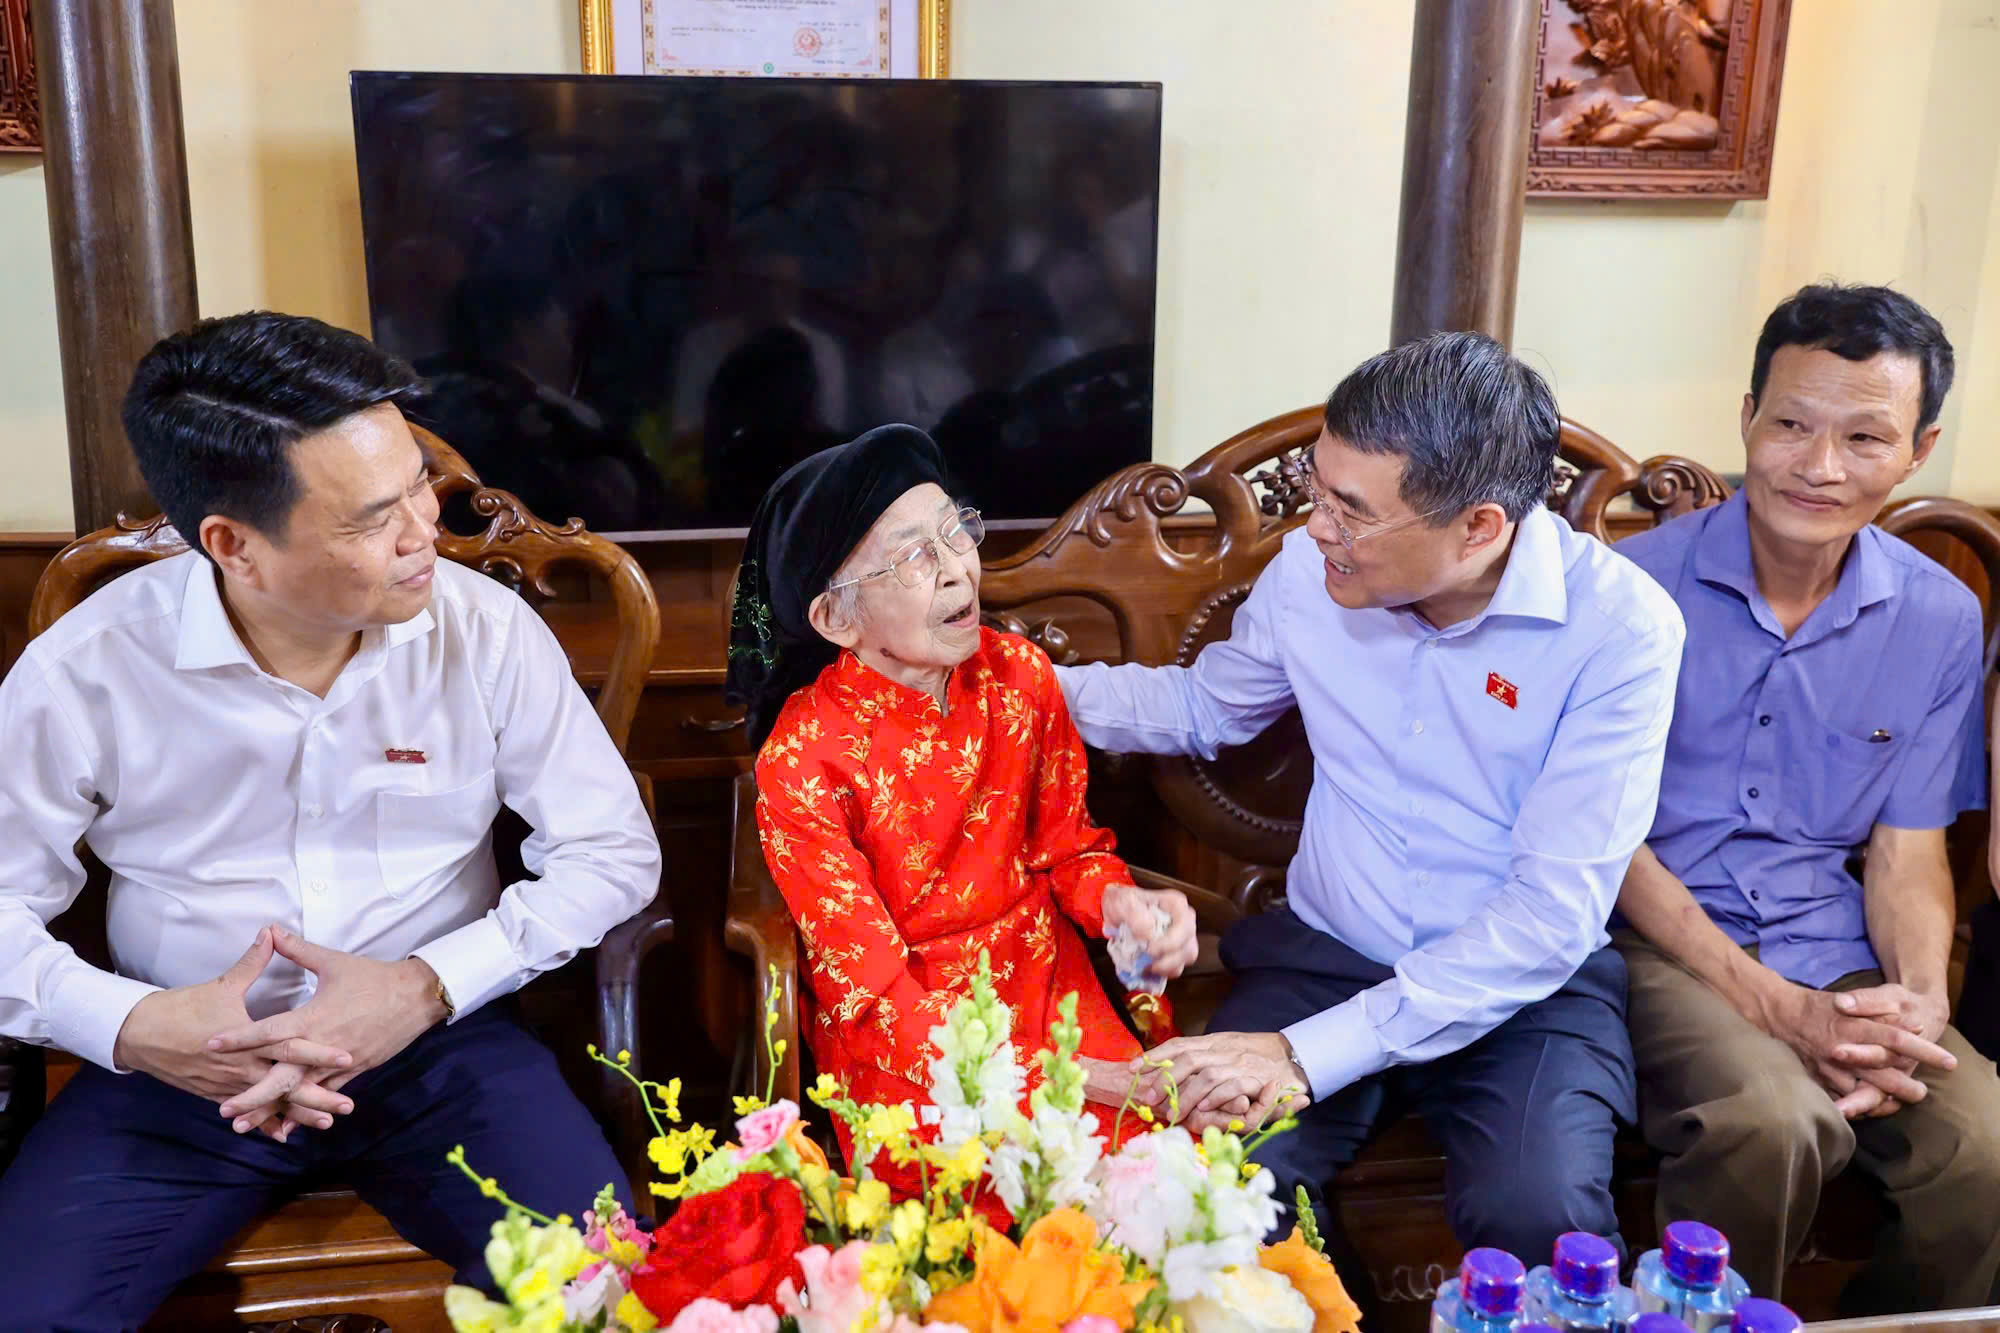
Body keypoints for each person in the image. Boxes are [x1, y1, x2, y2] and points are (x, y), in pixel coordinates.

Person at [0, 312, 663, 1330]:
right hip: (184, 1065)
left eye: (418, 487)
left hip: (439, 1049)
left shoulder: (485, 633)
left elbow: (608, 851)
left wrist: (424, 986)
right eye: (369, 520)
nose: (422, 534)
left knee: (610, 1297)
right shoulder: (88, 668)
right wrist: (134, 1026)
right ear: (234, 545)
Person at [1057, 332, 1686, 1265]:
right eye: (1316, 491)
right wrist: (1011, 677)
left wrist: (1303, 1056)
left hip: (1520, 987)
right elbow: (1204, 708)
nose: (1316, 529)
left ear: (1480, 527)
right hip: (1326, 955)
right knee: (1207, 1189)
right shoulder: (1311, 575)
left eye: (1350, 513)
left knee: (1541, 1213)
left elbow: (1550, 914)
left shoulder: (1620, 631)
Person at [1613, 282, 2000, 1311]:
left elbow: (1907, 849)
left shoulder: (1937, 616)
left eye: (1863, 437)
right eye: (1790, 425)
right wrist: (1778, 1009)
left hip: (1829, 941)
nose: (1819, 465)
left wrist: (1918, 1000)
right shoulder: (1625, 589)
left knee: (1984, 1145)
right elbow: (1603, 843)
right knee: (1773, 1121)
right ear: (1746, 418)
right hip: (1654, 939)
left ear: (1916, 450)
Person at [725, 423, 1200, 1193]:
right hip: (914, 1033)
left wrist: (1124, 907)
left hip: (1045, 979)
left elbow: (1070, 850)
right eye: (915, 557)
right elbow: (871, 991)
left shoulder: (1020, 675)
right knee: (977, 1218)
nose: (957, 570)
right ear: (838, 619)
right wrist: (1073, 1077)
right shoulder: (804, 758)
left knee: (1165, 1191)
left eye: (955, 531)